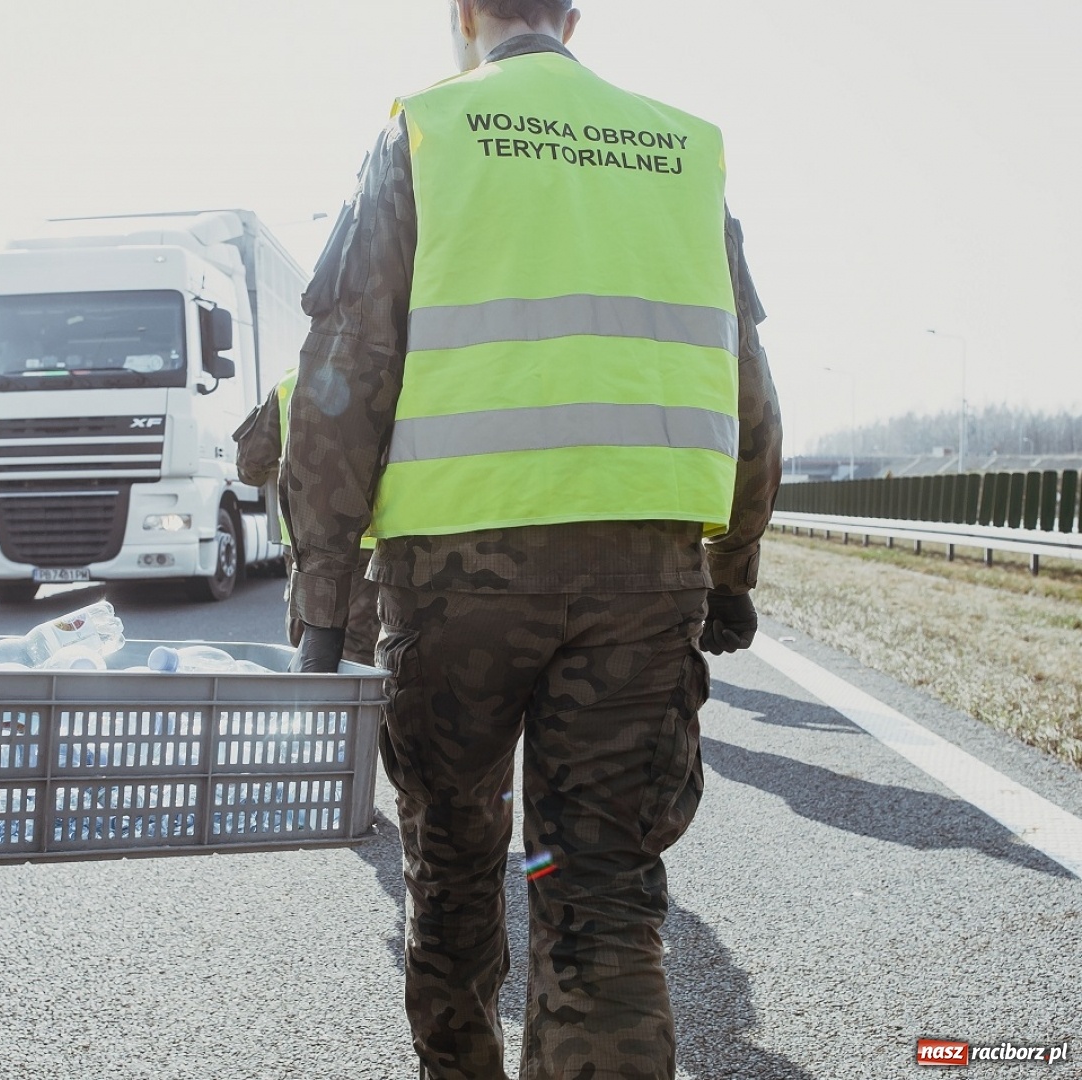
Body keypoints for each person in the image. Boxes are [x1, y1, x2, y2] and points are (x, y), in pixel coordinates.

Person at [283, 1, 782, 1077]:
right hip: (640, 581)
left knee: (456, 875)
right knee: (596, 889)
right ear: (573, 16)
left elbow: (343, 378)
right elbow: (747, 392)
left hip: (455, 586)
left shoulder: (426, 131)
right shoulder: (682, 152)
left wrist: (323, 599)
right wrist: (732, 570)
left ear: (464, 13)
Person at [234, 369, 379, 666]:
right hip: (366, 537)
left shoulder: (288, 384)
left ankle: (310, 706)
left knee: (309, 634)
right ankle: (355, 708)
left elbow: (250, 468)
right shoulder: (381, 372)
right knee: (360, 639)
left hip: (304, 539)